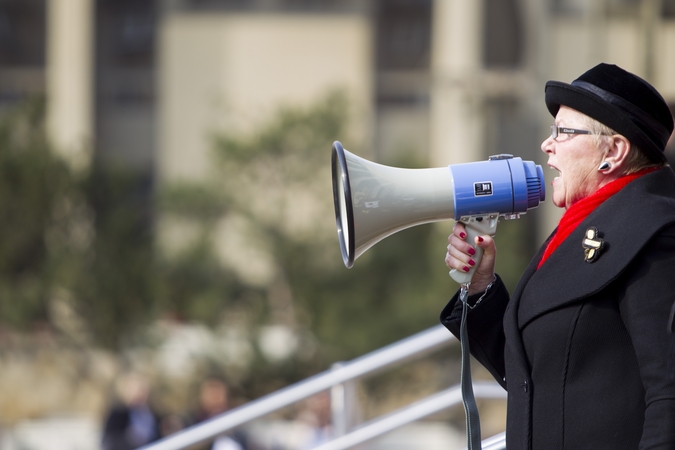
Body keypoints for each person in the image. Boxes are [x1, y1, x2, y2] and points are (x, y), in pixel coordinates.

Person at [442, 63, 675, 449]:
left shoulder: (656, 234)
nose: (546, 145)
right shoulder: (585, 228)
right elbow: (536, 375)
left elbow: (668, 392)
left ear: (613, 152)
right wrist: (482, 286)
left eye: (563, 132)